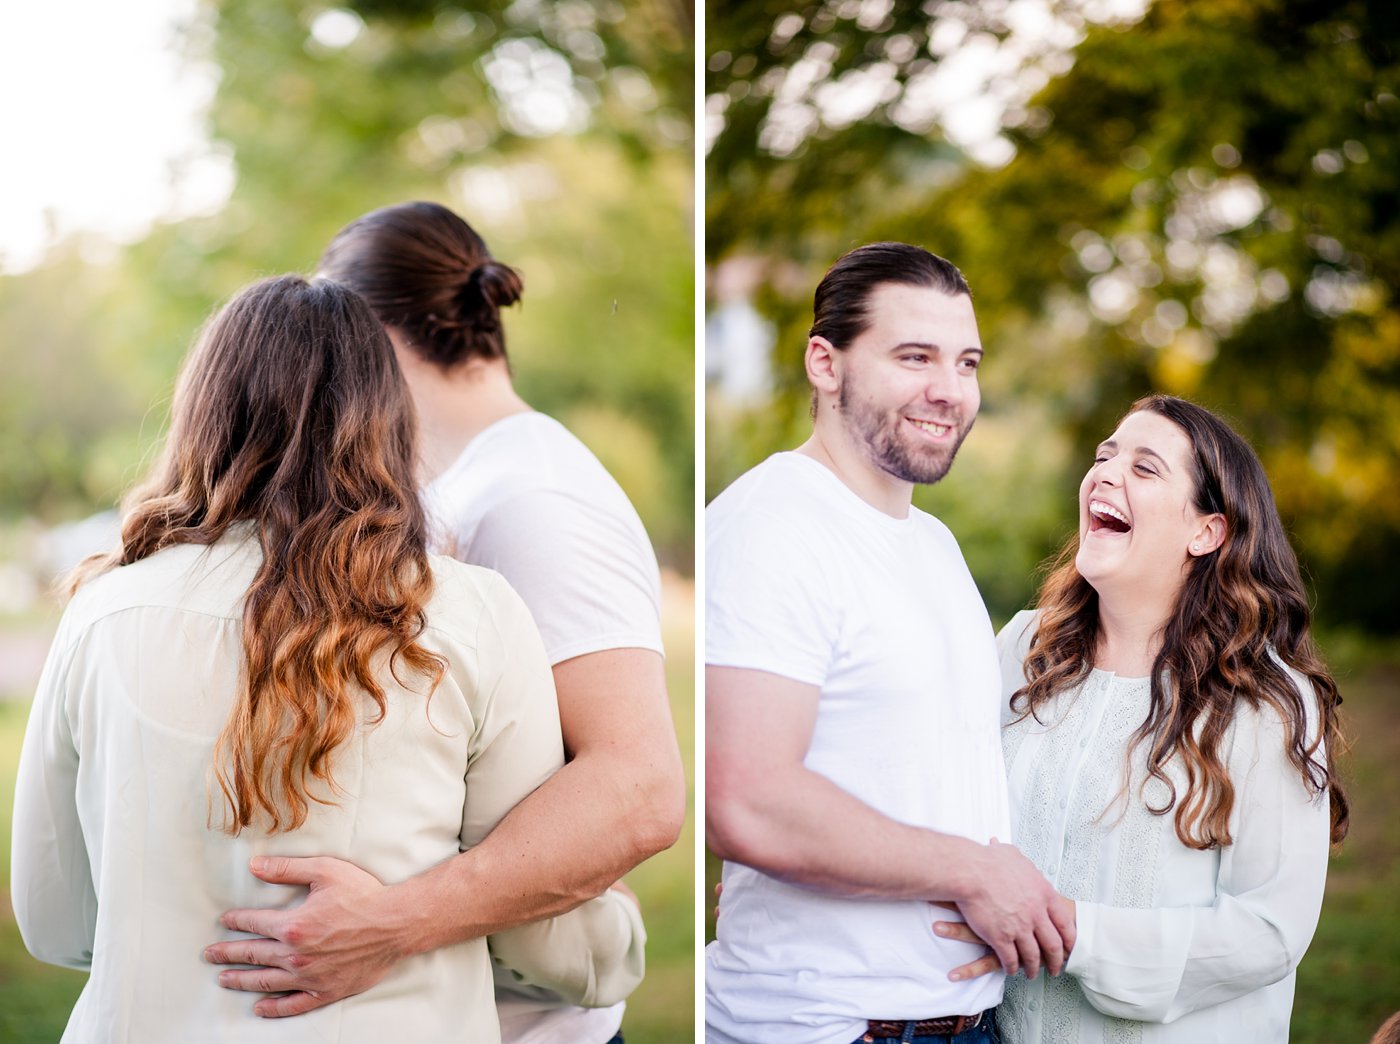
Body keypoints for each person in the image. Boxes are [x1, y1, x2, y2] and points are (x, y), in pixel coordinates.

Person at [11, 276, 633, 1042]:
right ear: (386, 420)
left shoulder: (102, 613)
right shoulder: (473, 615)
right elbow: (545, 937)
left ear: (206, 415)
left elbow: (55, 920)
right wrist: (620, 938)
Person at [201, 202, 686, 1044]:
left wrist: (393, 922)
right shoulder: (459, 484)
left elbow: (639, 790)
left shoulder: (536, 501)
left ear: (372, 340)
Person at [705, 242, 1074, 1044]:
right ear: (825, 364)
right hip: (827, 1028)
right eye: (915, 357)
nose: (949, 391)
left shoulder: (931, 542)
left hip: (958, 1023)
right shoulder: (772, 527)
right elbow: (746, 800)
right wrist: (977, 874)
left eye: (966, 362)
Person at [936, 395, 1347, 1041]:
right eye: (1104, 456)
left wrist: (1070, 931)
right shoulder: (1022, 650)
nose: (1105, 472)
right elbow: (939, 795)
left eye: (1145, 467)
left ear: (1206, 532)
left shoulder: (1267, 703)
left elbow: (1269, 933)